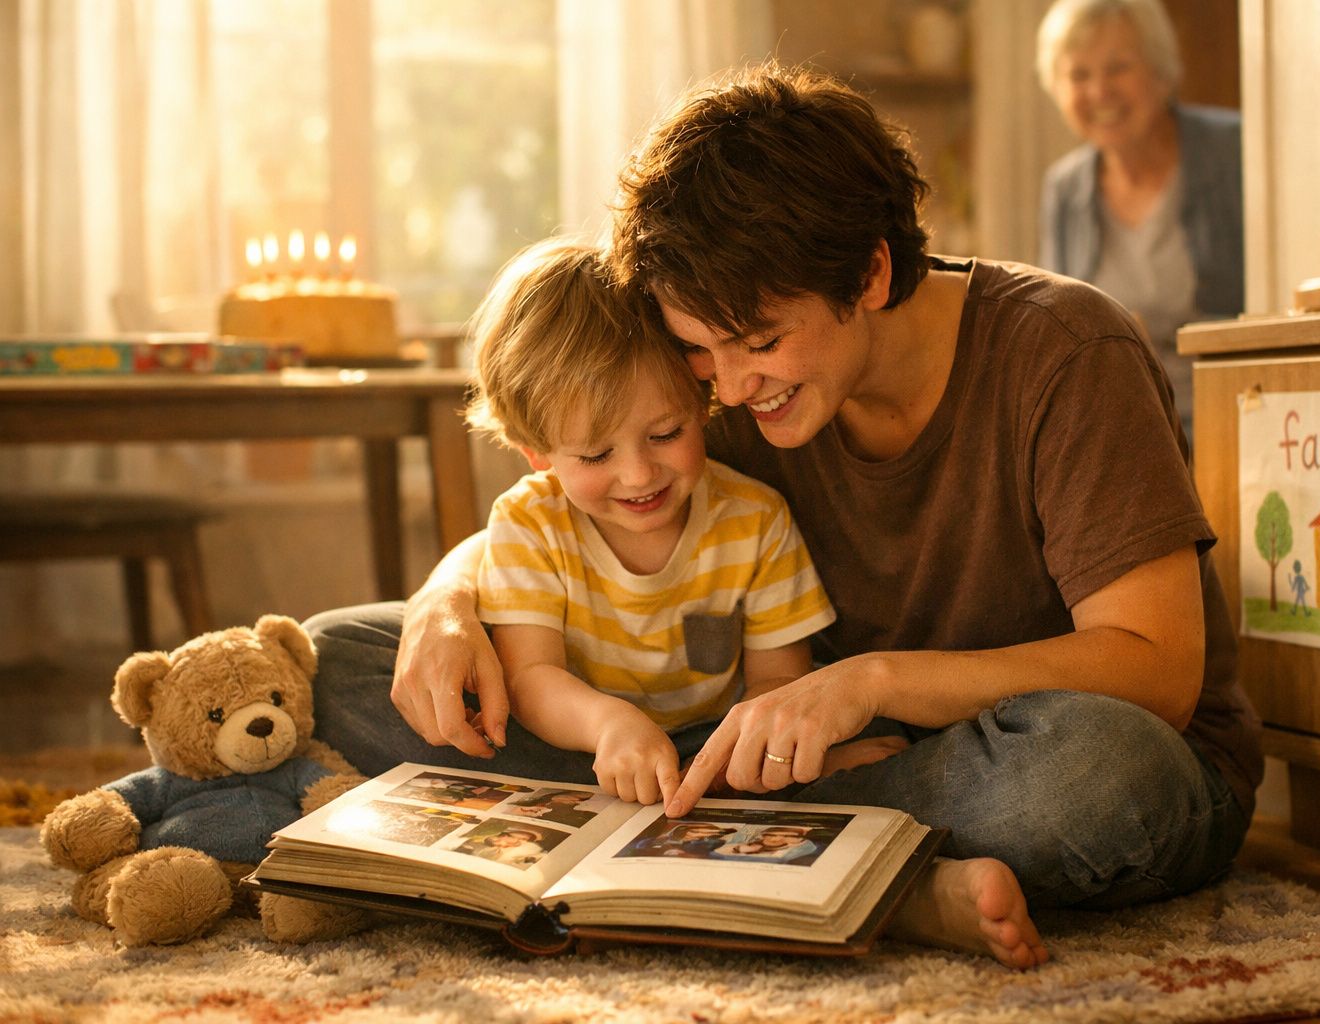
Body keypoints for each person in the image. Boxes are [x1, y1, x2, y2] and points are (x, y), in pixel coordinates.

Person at [307, 63, 1262, 971]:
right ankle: (845, 872)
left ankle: (703, 849)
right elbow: (574, 510)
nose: (726, 384)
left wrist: (870, 683)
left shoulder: (1064, 351)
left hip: (1014, 759)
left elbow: (1159, 673)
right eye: (699, 351)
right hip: (766, 753)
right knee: (346, 654)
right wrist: (447, 597)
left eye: (759, 342)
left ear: (873, 275)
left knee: (1094, 778)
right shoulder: (732, 377)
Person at [463, 238, 872, 807]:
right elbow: (530, 678)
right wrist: (610, 726)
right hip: (583, 742)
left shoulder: (754, 519)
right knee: (375, 673)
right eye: (595, 456)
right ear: (536, 452)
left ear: (703, 402)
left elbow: (779, 682)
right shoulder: (530, 522)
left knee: (850, 745)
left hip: (717, 741)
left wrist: (752, 752)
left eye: (665, 435)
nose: (638, 475)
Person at [1036, 0, 1244, 442]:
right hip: (1118, 428)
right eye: (1079, 75)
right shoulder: (1064, 188)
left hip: (1233, 414)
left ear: (1160, 71)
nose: (1099, 91)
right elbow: (1051, 330)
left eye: (1117, 68)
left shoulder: (1234, 151)